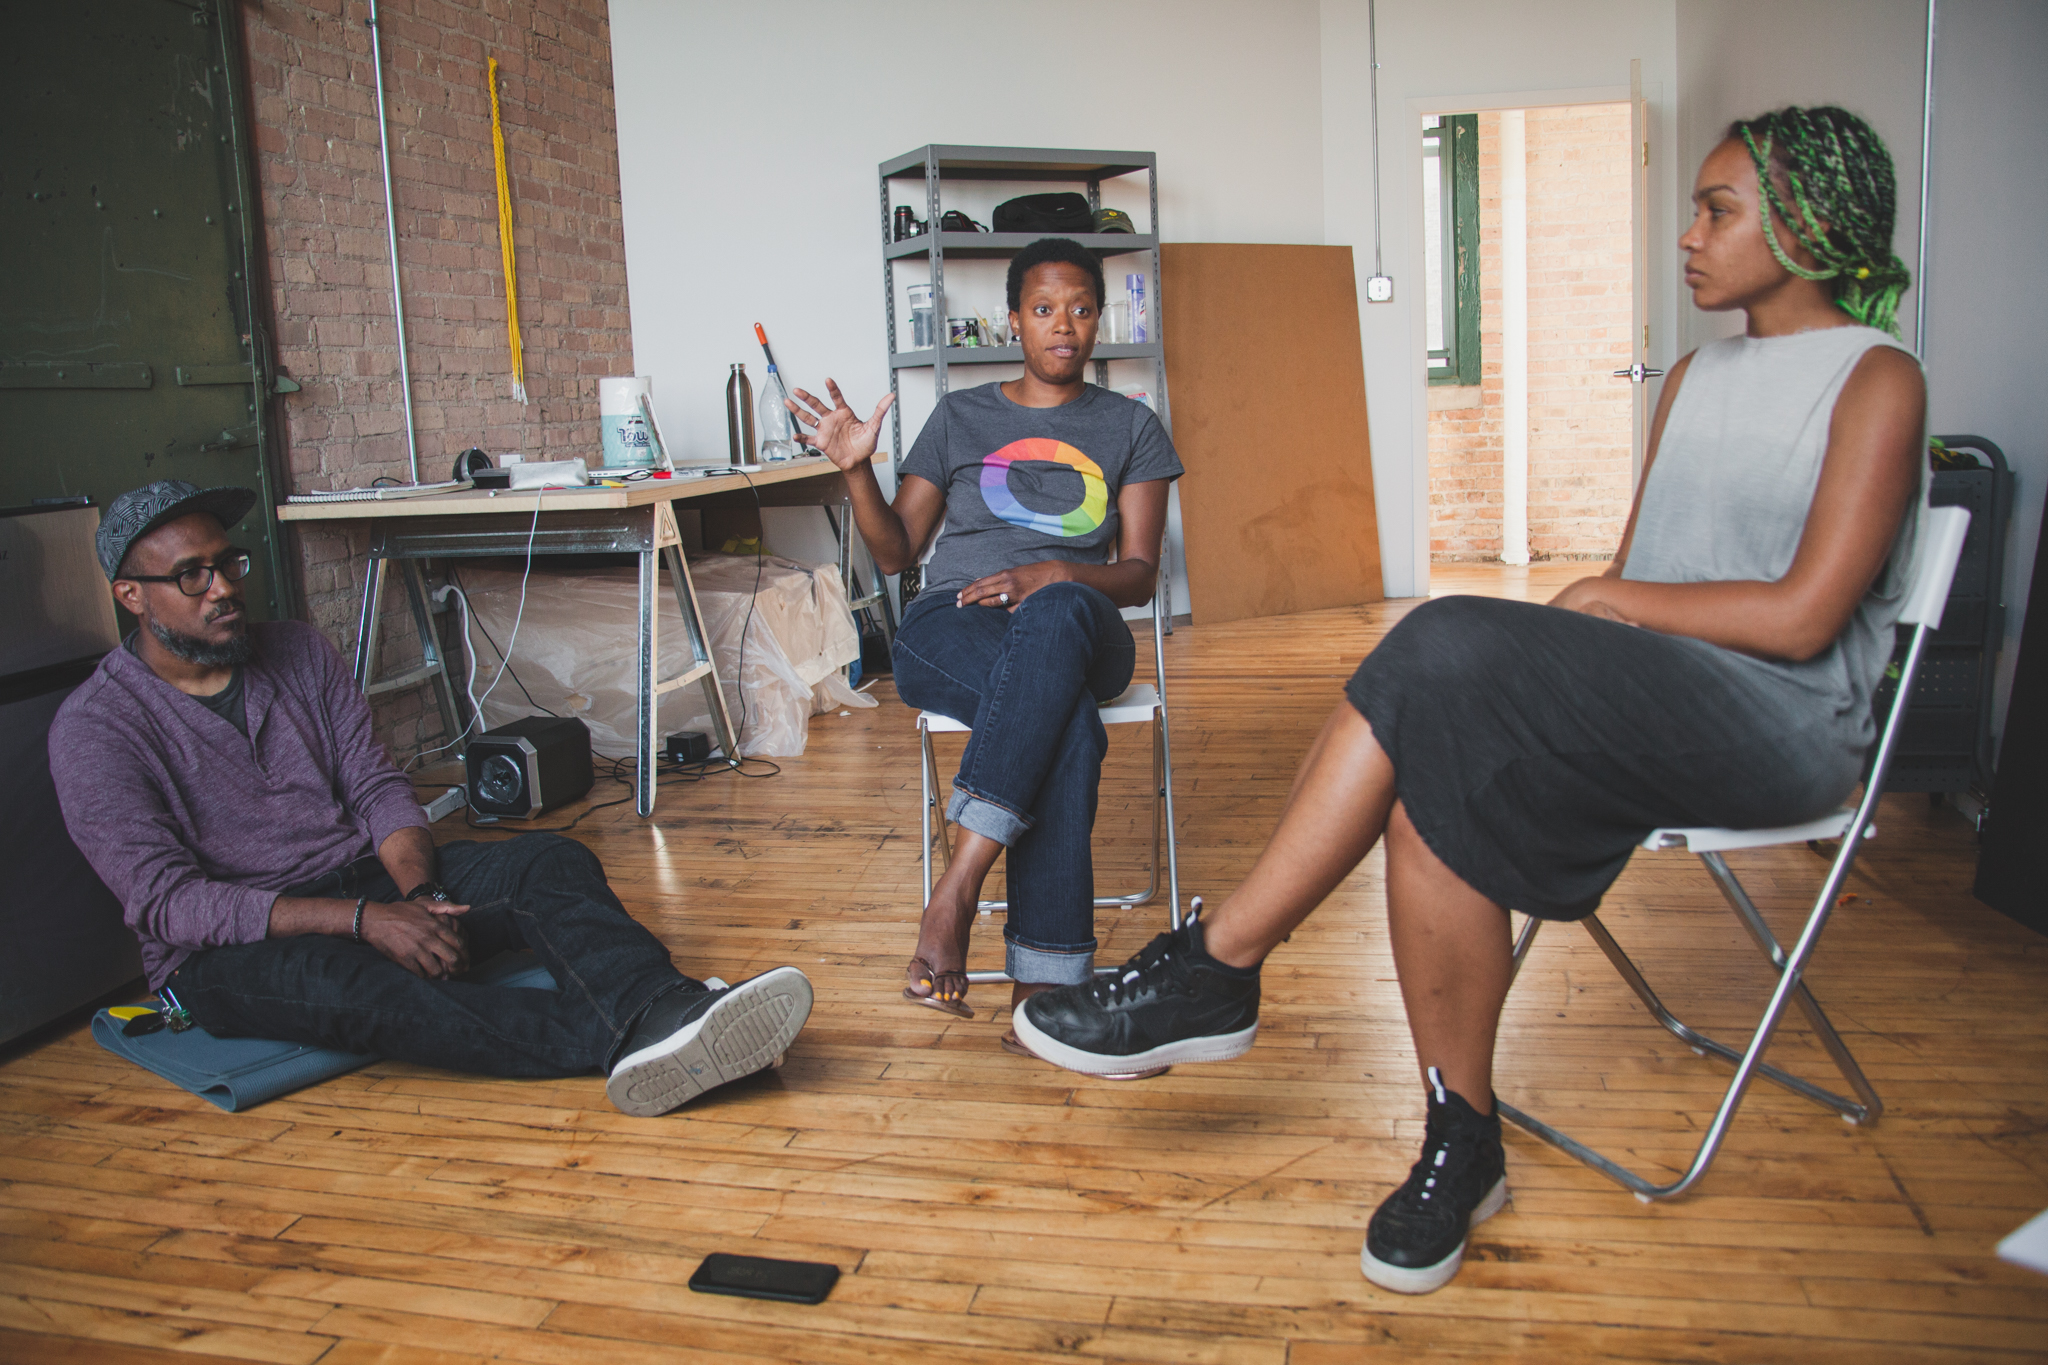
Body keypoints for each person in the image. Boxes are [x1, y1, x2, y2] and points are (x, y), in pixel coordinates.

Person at [1012, 106, 1927, 1292]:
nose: (1689, 233)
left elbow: (1805, 617)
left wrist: (1604, 598)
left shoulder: (1876, 379)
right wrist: (1604, 611)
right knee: (1430, 774)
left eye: (1716, 210)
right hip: (1659, 699)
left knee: (1441, 638)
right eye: (1692, 206)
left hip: (1781, 725)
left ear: (1804, 227)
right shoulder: (1695, 376)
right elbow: (1638, 594)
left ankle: (1219, 960)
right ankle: (1460, 1136)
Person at [49, 480, 814, 1118]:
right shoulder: (95, 728)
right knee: (354, 987)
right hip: (231, 948)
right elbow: (167, 901)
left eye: (228, 565)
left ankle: (667, 1015)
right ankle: (644, 1032)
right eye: (192, 575)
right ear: (131, 595)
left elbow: (377, 786)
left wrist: (421, 896)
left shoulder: (298, 651)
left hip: (370, 879)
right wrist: (364, 922)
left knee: (548, 860)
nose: (222, 588)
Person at [790, 238, 1183, 1054]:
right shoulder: (961, 415)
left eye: (1080, 308)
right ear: (1014, 321)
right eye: (1043, 309)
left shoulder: (1130, 426)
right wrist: (857, 471)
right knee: (1065, 720)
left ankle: (958, 887)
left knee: (1055, 616)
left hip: (1083, 624)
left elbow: (1141, 575)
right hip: (954, 626)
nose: (1063, 326)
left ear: (1099, 320)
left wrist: (1050, 575)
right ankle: (1047, 991)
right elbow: (898, 552)